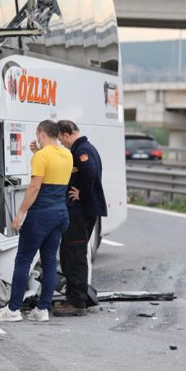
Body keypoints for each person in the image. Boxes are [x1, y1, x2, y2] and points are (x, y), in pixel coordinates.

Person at [0, 120, 72, 323]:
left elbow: (35, 187)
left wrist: (20, 213)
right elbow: (53, 173)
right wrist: (39, 153)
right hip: (60, 213)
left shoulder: (42, 156)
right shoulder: (66, 154)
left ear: (42, 134)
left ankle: (13, 309)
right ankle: (42, 309)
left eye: (38, 135)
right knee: (49, 261)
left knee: (23, 260)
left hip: (41, 214)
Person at [52, 120, 107, 316]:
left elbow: (90, 172)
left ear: (66, 134)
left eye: (61, 140)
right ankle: (74, 298)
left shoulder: (82, 150)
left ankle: (77, 303)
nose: (62, 144)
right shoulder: (83, 148)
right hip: (80, 212)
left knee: (74, 256)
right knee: (68, 254)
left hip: (81, 212)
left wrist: (81, 194)